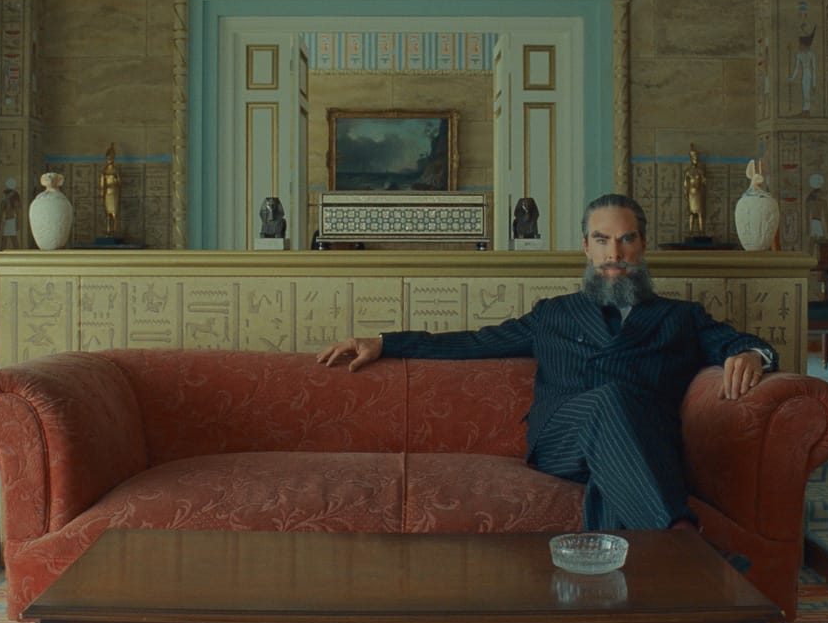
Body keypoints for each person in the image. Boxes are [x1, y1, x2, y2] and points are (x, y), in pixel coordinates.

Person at [316, 193, 776, 534]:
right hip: (561, 441)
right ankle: (681, 547)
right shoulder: (552, 314)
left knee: (612, 476)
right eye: (601, 240)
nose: (614, 254)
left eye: (625, 239)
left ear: (642, 244)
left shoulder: (681, 317)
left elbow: (741, 342)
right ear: (586, 247)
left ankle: (622, 601)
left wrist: (754, 354)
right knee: (609, 400)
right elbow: (473, 342)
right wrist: (384, 341)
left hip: (641, 442)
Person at [682, 145, 707, 237]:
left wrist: (704, 181)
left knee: (700, 212)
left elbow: (704, 181)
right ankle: (691, 232)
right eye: (694, 158)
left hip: (698, 193)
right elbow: (685, 183)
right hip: (691, 194)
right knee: (691, 213)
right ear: (691, 159)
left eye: (696, 158)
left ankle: (701, 231)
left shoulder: (700, 171)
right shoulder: (688, 172)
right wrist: (685, 193)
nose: (695, 160)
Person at [100, 143, 121, 237]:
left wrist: (116, 180)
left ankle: (115, 230)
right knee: (107, 213)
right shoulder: (104, 170)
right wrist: (102, 193)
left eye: (111, 158)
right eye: (108, 158)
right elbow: (102, 184)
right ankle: (108, 230)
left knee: (114, 213)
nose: (110, 160)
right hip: (107, 194)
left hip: (114, 193)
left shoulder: (116, 170)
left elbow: (120, 182)